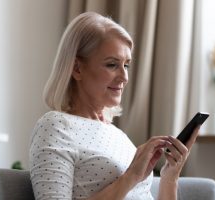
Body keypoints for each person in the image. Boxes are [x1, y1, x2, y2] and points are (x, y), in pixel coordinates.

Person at [29, 12, 200, 200]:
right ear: (77, 68)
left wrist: (170, 176)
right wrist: (130, 177)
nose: (124, 77)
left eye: (126, 65)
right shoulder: (56, 127)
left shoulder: (118, 136)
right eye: (112, 64)